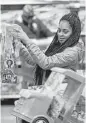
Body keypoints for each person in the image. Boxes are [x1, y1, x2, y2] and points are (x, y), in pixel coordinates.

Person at [11, 12, 84, 119]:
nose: (60, 34)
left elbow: (45, 63)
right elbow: (34, 60)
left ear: (74, 33)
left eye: (65, 31)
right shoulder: (57, 47)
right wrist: (19, 45)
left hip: (61, 98)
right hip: (51, 92)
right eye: (59, 30)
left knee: (39, 117)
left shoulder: (72, 52)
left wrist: (27, 39)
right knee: (23, 111)